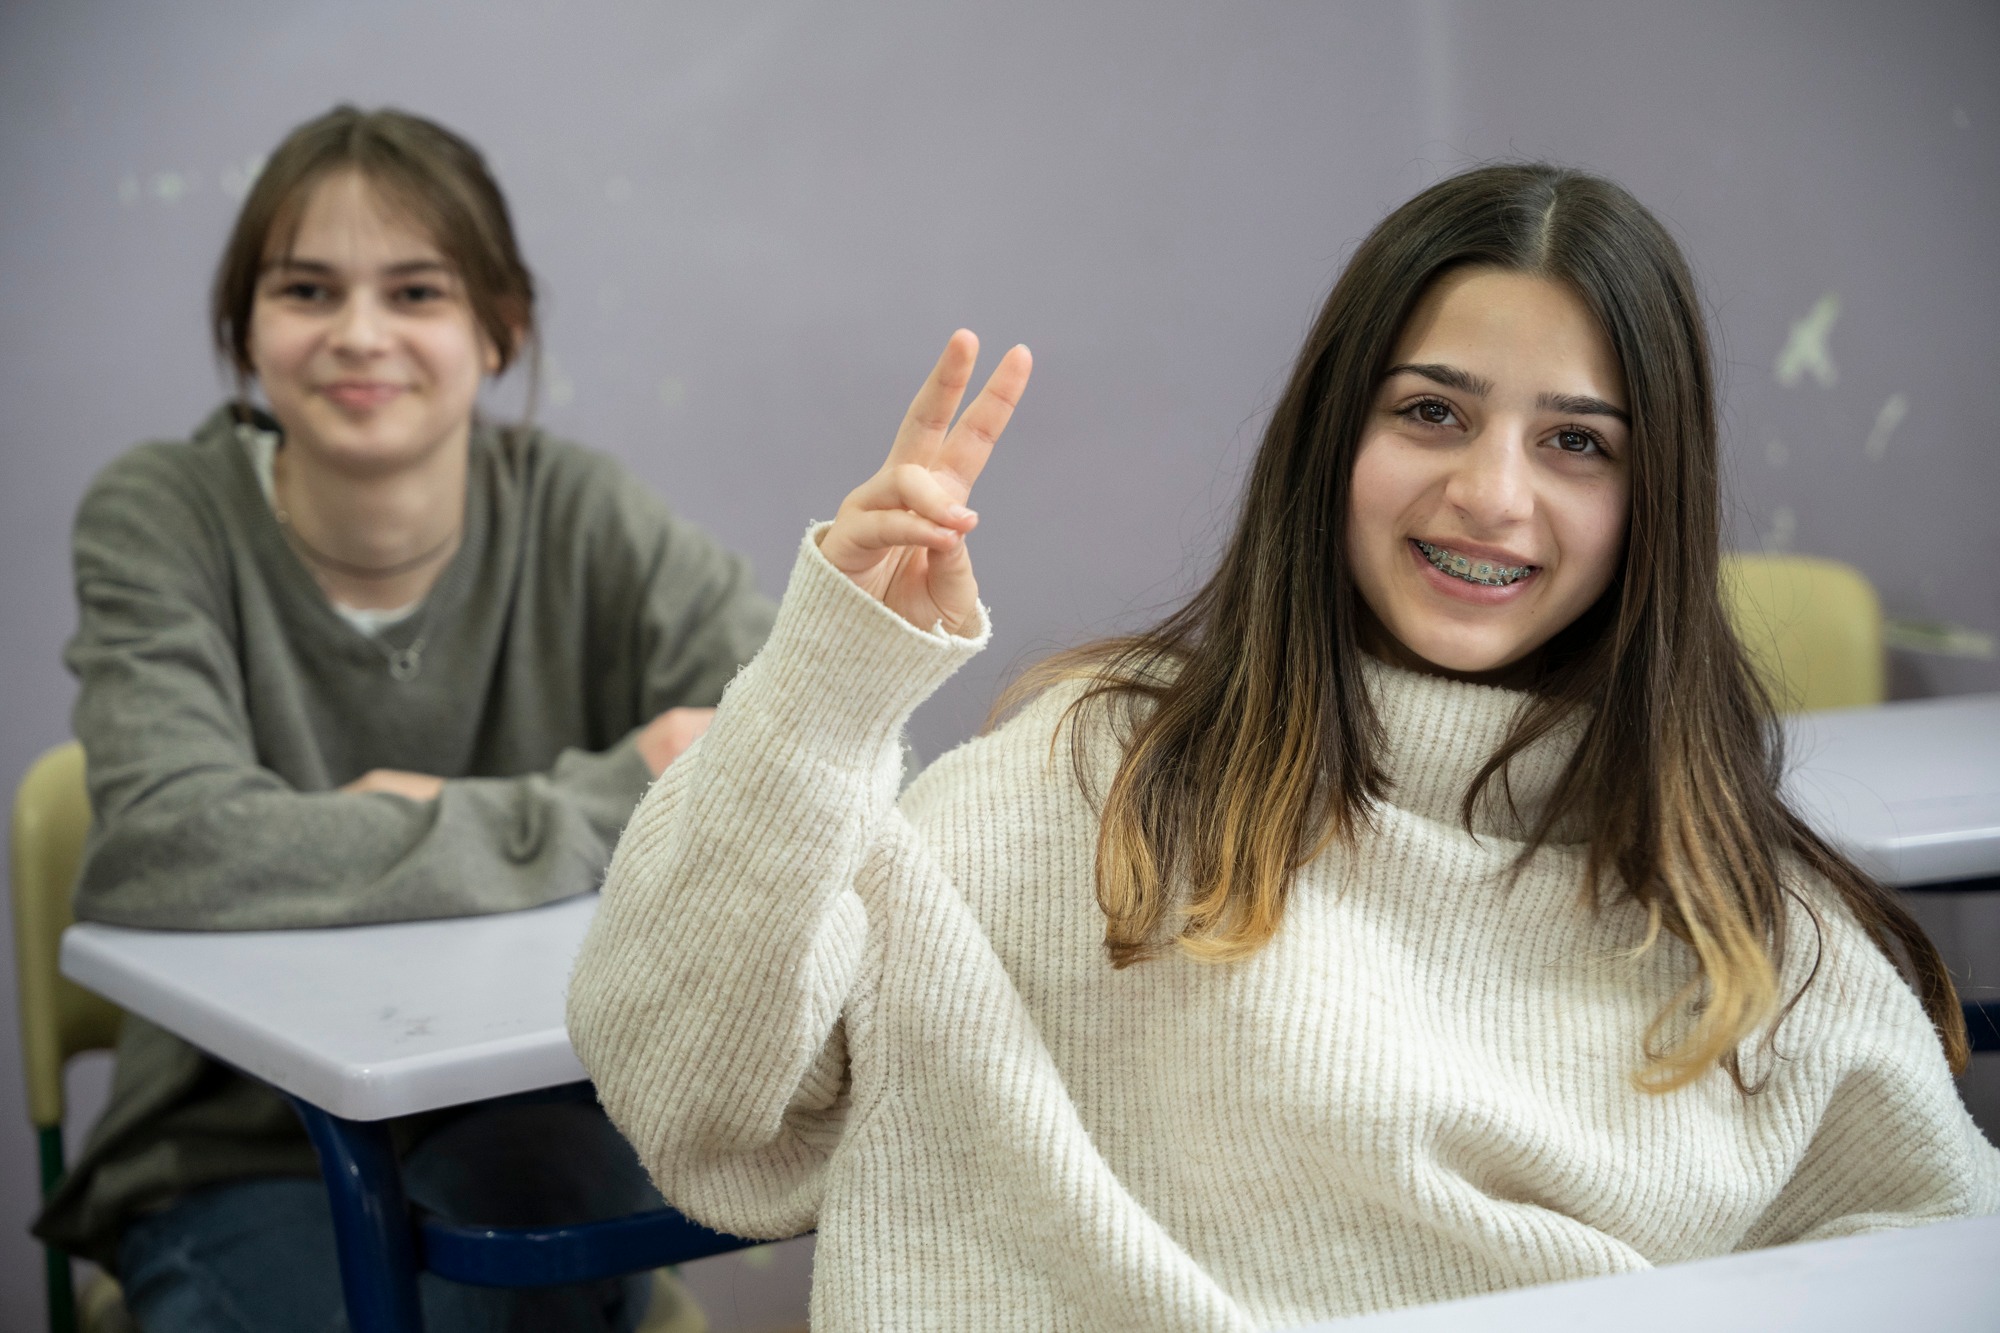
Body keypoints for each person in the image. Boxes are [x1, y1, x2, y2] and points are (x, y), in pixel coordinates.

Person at [568, 163, 2000, 1330]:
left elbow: (1940, 1244)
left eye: (1576, 443)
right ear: (1331, 440)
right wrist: (830, 684)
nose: (1491, 494)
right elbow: (695, 1104)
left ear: (1654, 502)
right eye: (1430, 412)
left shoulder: (1743, 912)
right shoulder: (1101, 774)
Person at [33, 105, 774, 1331]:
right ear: (245, 328)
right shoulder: (161, 513)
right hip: (241, 1142)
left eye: (417, 291)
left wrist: (415, 819)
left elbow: (792, 748)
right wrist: (607, 796)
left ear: (499, 327)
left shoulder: (582, 512)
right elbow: (166, 845)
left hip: (537, 1115)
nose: (359, 335)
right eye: (306, 290)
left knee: (519, 1267)